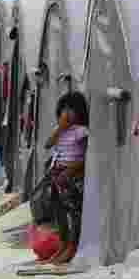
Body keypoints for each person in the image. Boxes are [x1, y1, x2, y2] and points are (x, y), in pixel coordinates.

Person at [42, 91, 89, 265]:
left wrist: (69, 171)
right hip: (57, 176)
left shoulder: (81, 131)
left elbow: (85, 157)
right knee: (59, 212)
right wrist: (60, 128)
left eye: (71, 109)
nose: (67, 114)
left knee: (73, 213)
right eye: (64, 109)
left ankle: (72, 246)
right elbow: (48, 144)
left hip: (71, 177)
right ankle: (62, 245)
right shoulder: (60, 130)